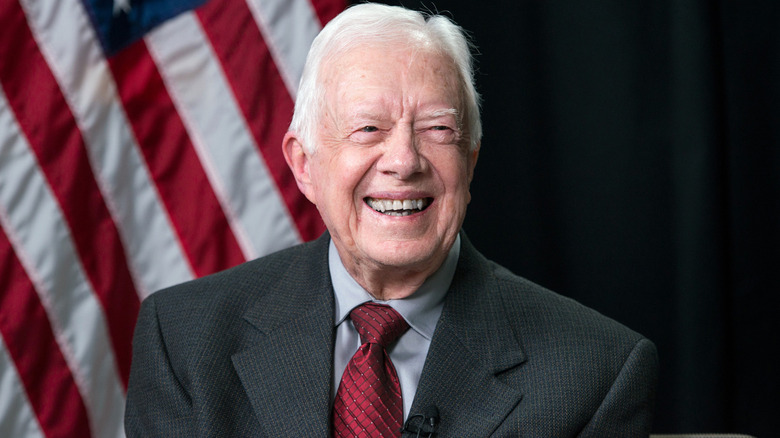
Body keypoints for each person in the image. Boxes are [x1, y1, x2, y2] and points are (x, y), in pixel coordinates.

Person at [124, 3, 658, 437]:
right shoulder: (185, 341)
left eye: (437, 129)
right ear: (304, 165)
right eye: (368, 128)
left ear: (470, 161)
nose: (404, 161)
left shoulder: (598, 371)